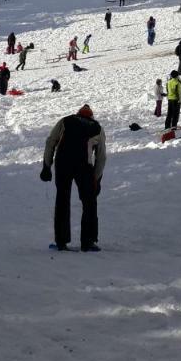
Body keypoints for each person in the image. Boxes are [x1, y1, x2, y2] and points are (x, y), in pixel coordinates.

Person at [41, 104, 107, 252]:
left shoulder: (65, 121)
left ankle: (61, 241)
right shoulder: (97, 128)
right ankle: (88, 242)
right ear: (91, 116)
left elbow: (51, 141)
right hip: (83, 165)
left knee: (62, 199)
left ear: (77, 113)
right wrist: (96, 179)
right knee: (89, 201)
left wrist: (46, 166)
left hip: (63, 162)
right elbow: (101, 157)